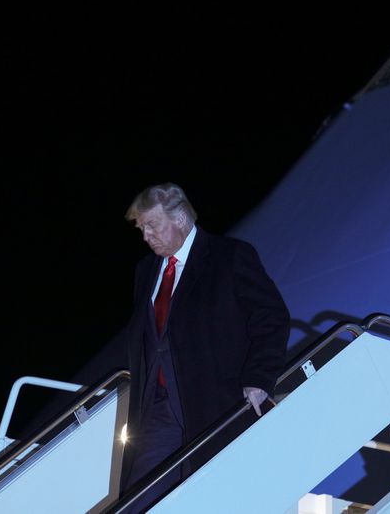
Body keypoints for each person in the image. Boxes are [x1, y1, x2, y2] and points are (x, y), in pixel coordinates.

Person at [119, 182, 290, 512]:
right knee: (138, 501)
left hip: (213, 402)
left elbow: (271, 318)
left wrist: (259, 377)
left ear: (181, 218)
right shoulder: (145, 271)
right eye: (142, 229)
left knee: (210, 499)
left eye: (152, 225)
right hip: (158, 409)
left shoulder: (230, 256)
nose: (146, 236)